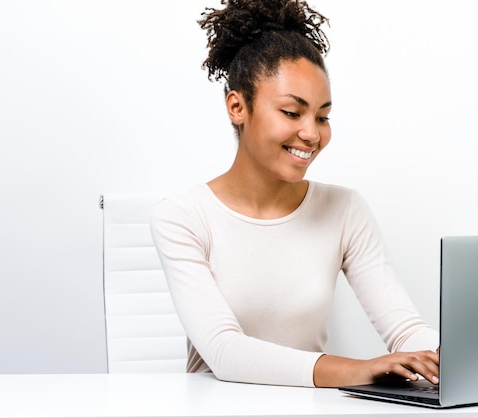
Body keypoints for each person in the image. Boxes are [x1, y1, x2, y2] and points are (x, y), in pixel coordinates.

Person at [150, 0, 439, 388]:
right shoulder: (183, 215)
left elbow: (405, 329)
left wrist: (453, 357)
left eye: (322, 116)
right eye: (292, 112)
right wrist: (358, 369)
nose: (312, 134)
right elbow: (224, 351)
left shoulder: (344, 209)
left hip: (311, 406)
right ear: (237, 106)